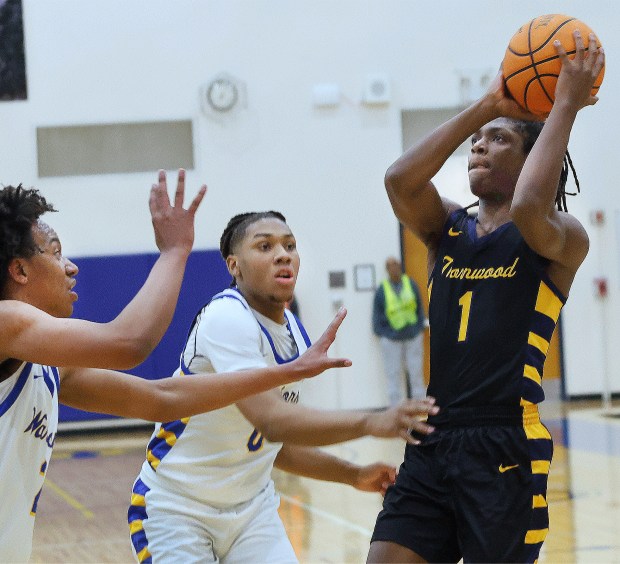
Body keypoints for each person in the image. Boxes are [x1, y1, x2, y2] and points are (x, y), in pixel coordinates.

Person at [0, 172, 352, 563]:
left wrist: (287, 371)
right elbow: (129, 343)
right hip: (180, 515)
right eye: (54, 252)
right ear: (20, 270)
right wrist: (174, 251)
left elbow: (161, 399)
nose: (70, 267)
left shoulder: (51, 367)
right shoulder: (5, 322)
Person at [367, 31, 604, 563]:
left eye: (498, 139)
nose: (479, 144)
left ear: (533, 158)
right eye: (479, 138)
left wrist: (564, 106)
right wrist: (487, 107)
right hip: (434, 435)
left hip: (505, 442)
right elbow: (399, 181)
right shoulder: (445, 229)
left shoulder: (561, 237)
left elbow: (527, 208)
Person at [128, 210, 440, 564]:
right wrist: (372, 421)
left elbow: (276, 445)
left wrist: (352, 474)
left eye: (289, 245)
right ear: (235, 266)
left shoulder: (292, 329)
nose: (283, 254)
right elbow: (272, 421)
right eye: (265, 246)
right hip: (179, 509)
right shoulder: (226, 318)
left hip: (251, 512)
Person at [373, 256, 427, 405]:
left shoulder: (411, 284)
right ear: (387, 269)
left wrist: (418, 329)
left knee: (416, 375)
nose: (394, 268)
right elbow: (376, 320)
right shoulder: (381, 290)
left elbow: (419, 309)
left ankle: (421, 410)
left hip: (413, 337)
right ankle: (395, 413)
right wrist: (387, 334)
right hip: (391, 341)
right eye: (390, 265)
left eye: (396, 264)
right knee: (393, 376)